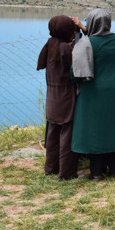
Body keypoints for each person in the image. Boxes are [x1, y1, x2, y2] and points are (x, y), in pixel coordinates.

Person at [71, 8, 115, 181]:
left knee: (96, 129)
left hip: (95, 91)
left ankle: (97, 172)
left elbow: (76, 73)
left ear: (92, 23)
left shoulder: (86, 43)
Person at [36, 15, 80, 180]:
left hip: (52, 95)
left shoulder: (49, 45)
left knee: (52, 133)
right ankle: (66, 172)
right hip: (66, 95)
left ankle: (51, 167)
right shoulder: (67, 48)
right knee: (67, 134)